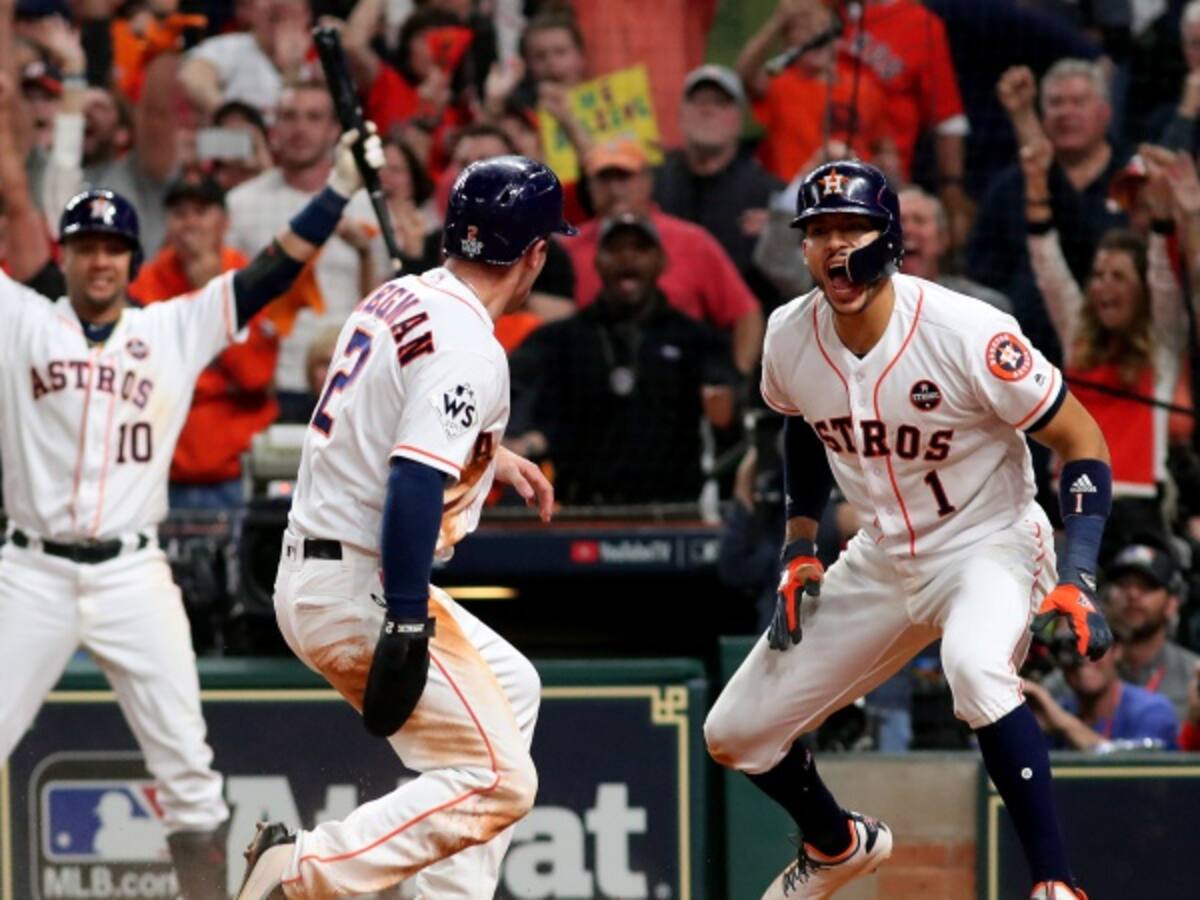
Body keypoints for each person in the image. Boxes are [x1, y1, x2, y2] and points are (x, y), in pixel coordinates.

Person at [704, 160, 1114, 900]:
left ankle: (1057, 884)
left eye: (853, 228)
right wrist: (799, 545)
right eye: (819, 231)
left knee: (975, 671)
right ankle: (837, 845)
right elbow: (801, 425)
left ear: (889, 238)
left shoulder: (967, 332)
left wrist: (1078, 573)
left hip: (988, 540)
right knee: (734, 732)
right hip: (882, 554)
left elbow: (1082, 440)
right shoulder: (789, 334)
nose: (835, 245)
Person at [0, 119, 383, 899]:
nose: (100, 261)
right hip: (29, 572)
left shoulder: (169, 327)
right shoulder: (22, 321)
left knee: (190, 775)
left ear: (132, 260)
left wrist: (339, 187)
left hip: (133, 573)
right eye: (86, 247)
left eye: (113, 248)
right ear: (63, 255)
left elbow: (270, 272)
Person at [236, 155, 572, 899]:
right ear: (535, 255)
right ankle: (300, 870)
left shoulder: (396, 295)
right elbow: (414, 480)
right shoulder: (469, 343)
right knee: (502, 781)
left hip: (321, 564)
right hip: (360, 582)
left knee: (514, 687)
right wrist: (408, 618)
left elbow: (388, 412)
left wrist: (489, 454)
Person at [1022, 136, 1188, 556]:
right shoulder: (1077, 333)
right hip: (1070, 501)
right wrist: (1037, 184)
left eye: (1118, 276)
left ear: (1140, 289)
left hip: (1137, 507)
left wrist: (1162, 216)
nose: (1103, 286)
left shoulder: (1163, 343)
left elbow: (1164, 279)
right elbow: (1048, 266)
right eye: (1098, 275)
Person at [506, 212, 738, 506]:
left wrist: (726, 418)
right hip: (581, 511)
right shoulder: (561, 340)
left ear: (661, 262)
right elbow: (511, 392)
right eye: (615, 249)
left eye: (640, 248)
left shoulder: (696, 340)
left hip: (674, 512)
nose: (627, 257)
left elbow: (733, 414)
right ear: (597, 262)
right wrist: (521, 439)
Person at [226, 80, 384, 401]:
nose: (300, 129)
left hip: (345, 380)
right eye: (289, 117)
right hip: (267, 383)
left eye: (313, 117)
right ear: (274, 128)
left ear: (334, 129)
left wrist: (365, 252)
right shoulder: (239, 203)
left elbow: (381, 308)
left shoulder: (367, 206)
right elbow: (231, 301)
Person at [128, 174, 278, 509]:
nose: (190, 223)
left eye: (201, 211)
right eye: (180, 213)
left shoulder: (250, 280)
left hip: (237, 469)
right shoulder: (145, 284)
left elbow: (255, 376)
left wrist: (212, 293)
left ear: (225, 221)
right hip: (163, 469)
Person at [969, 61, 1127, 361]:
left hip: (1111, 352)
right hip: (1019, 350)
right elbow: (983, 274)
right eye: (1056, 103)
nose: (1066, 112)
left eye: (1078, 102)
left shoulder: (1130, 180)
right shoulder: (1007, 188)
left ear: (1105, 113)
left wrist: (1024, 120)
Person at [567, 136, 765, 374]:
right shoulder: (566, 249)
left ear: (648, 181)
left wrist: (735, 379)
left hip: (678, 378)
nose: (615, 189)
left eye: (624, 177)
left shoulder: (691, 241)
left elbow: (746, 313)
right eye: (604, 179)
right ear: (589, 186)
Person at [653, 64, 786, 312]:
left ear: (739, 120)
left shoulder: (769, 196)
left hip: (744, 324)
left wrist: (780, 235)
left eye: (721, 103)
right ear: (680, 114)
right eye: (698, 101)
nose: (708, 110)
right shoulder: (651, 183)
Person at [735, 0, 894, 183]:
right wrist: (777, 23)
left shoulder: (863, 88)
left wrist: (886, 166)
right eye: (803, 28)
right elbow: (744, 73)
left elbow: (884, 147)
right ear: (788, 44)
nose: (814, 33)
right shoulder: (779, 85)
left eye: (822, 26)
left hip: (853, 192)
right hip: (797, 193)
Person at [1023, 633, 1179, 751]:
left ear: (1116, 650)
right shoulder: (1050, 712)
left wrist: (1064, 724)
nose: (1083, 658)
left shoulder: (1152, 711)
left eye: (1094, 645)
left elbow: (1131, 770)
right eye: (1069, 648)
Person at [1104, 542, 1200, 724]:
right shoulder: (1081, 672)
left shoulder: (1194, 677)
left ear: (1172, 604)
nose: (1132, 594)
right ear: (1106, 598)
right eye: (1123, 585)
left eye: (1146, 586)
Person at [898, 185, 1011, 312]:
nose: (907, 230)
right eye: (899, 221)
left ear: (942, 238)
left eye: (919, 220)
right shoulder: (877, 307)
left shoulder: (982, 307)